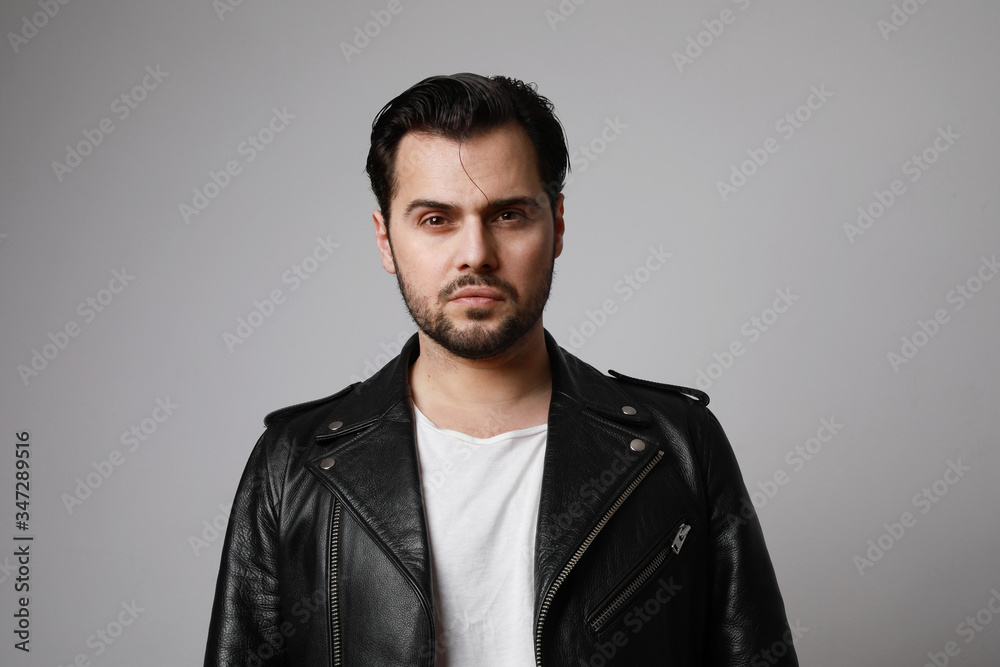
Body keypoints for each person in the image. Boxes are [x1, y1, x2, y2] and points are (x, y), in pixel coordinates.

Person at [204, 73, 799, 666]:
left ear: (557, 225)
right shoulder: (294, 463)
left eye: (509, 215)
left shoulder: (677, 445)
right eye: (435, 219)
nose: (476, 254)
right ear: (386, 240)